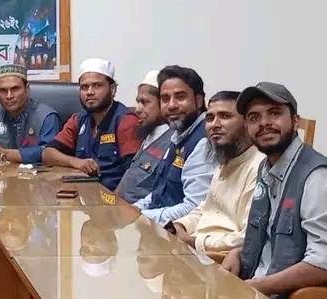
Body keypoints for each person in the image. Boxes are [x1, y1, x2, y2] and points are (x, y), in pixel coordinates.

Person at [222, 82, 327, 299]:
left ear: (295, 121)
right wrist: (237, 252)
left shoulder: (316, 176)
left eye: (274, 113)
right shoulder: (266, 167)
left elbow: (322, 262)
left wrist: (259, 287)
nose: (264, 123)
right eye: (254, 118)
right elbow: (272, 238)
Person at [170, 91, 264, 255]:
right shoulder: (226, 159)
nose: (214, 124)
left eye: (225, 116)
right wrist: (180, 225)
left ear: (247, 122)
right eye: (209, 118)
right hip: (195, 249)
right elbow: (207, 209)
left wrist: (193, 242)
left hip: (218, 259)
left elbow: (248, 238)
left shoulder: (260, 168)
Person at [41, 58, 142, 190]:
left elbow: (134, 175)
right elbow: (47, 154)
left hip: (112, 195)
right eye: (84, 87)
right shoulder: (78, 119)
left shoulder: (126, 121)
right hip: (82, 193)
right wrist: (76, 162)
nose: (89, 92)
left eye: (97, 85)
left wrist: (116, 200)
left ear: (113, 89)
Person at [134, 65, 215, 226]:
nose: (171, 105)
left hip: (178, 233)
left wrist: (141, 216)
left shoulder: (203, 141)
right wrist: (135, 208)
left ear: (198, 101)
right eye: (165, 99)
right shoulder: (178, 134)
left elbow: (194, 208)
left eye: (180, 97)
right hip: (158, 224)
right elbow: (159, 191)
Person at [0, 64, 59, 164]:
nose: (9, 96)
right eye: (3, 91)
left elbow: (49, 153)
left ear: (27, 89)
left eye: (15, 89)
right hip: (0, 173)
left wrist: (3, 154)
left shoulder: (47, 116)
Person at [116, 70, 173, 203]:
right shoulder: (150, 132)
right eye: (138, 102)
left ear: (163, 103)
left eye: (145, 102)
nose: (138, 109)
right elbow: (128, 178)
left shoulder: (172, 140)